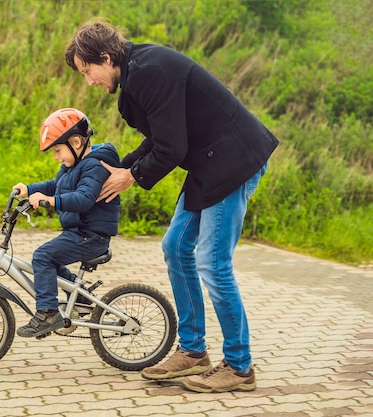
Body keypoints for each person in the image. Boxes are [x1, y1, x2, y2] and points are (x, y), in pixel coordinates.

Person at [65, 21, 278, 392]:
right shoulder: (134, 76)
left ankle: (240, 367)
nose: (89, 81)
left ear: (105, 57)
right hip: (208, 162)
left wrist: (129, 177)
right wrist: (123, 167)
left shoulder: (150, 72)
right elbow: (160, 138)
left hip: (233, 160)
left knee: (212, 262)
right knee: (176, 247)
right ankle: (194, 352)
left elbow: (171, 149)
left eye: (88, 71)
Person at [13, 107, 121, 338]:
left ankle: (48, 313)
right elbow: (56, 186)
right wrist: (29, 190)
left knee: (43, 256)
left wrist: (51, 201)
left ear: (76, 142)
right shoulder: (74, 165)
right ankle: (79, 293)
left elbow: (84, 199)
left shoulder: (94, 166)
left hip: (92, 235)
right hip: (79, 232)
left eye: (58, 150)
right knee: (49, 259)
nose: (56, 156)